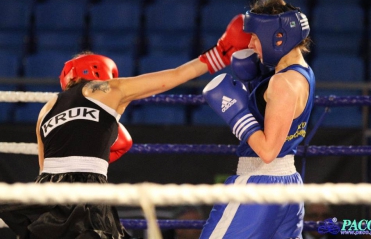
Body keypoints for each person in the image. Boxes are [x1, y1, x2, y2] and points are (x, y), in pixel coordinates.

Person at [0, 13, 251, 238]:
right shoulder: (109, 89)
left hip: (47, 192)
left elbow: (45, 168)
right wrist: (220, 54)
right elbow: (173, 77)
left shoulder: (47, 107)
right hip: (86, 193)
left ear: (68, 77)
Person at [201, 0, 315, 238]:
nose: (250, 44)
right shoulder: (301, 72)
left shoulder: (283, 83)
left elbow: (267, 150)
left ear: (278, 37)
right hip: (287, 186)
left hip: (259, 185)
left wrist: (237, 114)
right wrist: (256, 81)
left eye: (255, 37)